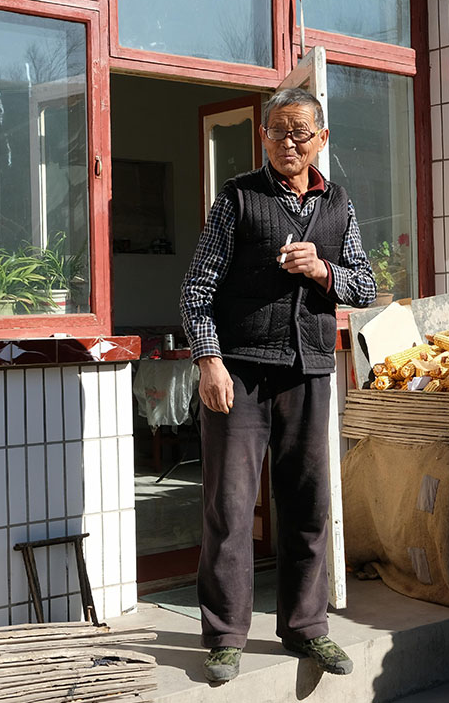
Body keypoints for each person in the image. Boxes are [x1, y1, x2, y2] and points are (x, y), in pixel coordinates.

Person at [179, 87, 377, 684]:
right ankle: (224, 635)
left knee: (308, 505)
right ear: (263, 137)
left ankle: (305, 628)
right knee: (230, 507)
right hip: (238, 372)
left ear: (322, 140)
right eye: (277, 132)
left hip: (309, 371)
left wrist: (323, 270)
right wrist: (210, 361)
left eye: (300, 133)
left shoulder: (338, 204)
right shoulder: (238, 198)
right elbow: (197, 290)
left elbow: (364, 285)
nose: (288, 143)